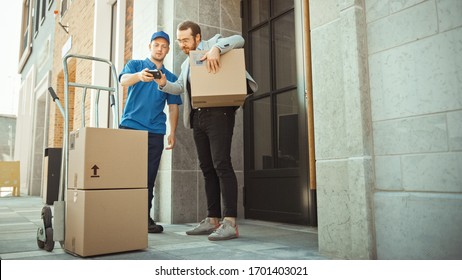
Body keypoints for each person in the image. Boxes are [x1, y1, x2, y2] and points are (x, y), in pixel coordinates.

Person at [154, 21, 257, 241]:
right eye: (179, 40)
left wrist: (216, 49)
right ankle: (212, 219)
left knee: (222, 163)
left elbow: (240, 39)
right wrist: (163, 83)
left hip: (219, 113)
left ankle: (230, 222)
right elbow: (180, 88)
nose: (181, 44)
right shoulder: (185, 65)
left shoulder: (214, 42)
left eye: (185, 40)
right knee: (207, 168)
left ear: (198, 38)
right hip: (198, 117)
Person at [118, 31, 182, 234]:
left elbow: (173, 107)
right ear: (150, 46)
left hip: (155, 132)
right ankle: (122, 215)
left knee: (148, 178)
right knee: (126, 174)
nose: (160, 49)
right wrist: (139, 76)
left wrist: (173, 132)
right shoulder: (135, 65)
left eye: (164, 46)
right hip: (130, 127)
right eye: (156, 45)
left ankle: (143, 218)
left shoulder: (169, 77)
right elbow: (123, 81)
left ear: (168, 50)